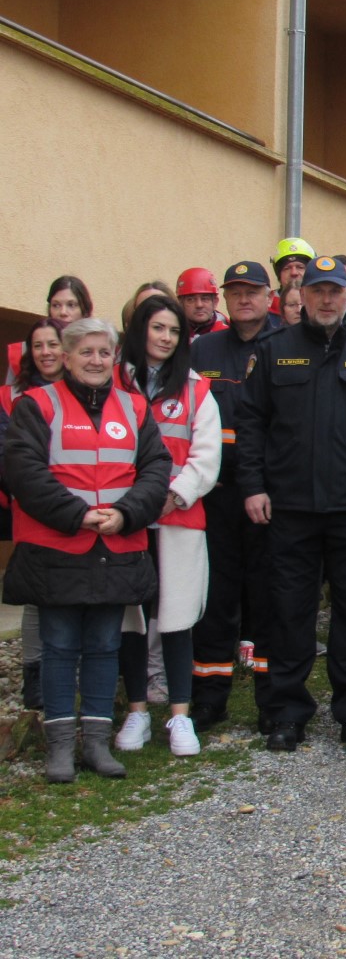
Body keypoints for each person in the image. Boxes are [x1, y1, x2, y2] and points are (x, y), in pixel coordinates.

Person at [235, 255, 346, 755]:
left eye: (334, 291)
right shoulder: (274, 350)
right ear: (302, 293)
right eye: (316, 290)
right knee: (289, 613)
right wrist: (252, 486)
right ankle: (286, 712)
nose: (325, 299)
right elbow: (249, 424)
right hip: (289, 508)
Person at [4, 318, 171, 782]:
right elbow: (23, 472)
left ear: (114, 358)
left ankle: (96, 744)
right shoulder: (36, 405)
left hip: (116, 546)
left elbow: (157, 468)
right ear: (67, 357)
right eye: (86, 352)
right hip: (56, 550)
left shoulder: (136, 408)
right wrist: (76, 514)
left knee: (103, 646)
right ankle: (59, 748)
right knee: (58, 647)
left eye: (104, 353)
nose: (96, 361)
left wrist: (126, 513)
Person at [112, 296, 221, 757]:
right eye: (157, 328)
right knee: (131, 619)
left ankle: (180, 716)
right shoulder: (113, 385)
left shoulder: (196, 389)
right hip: (125, 522)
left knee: (177, 620)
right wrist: (131, 505)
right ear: (140, 330)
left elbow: (206, 454)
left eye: (173, 331)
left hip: (178, 518)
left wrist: (176, 493)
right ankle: (136, 711)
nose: (165, 338)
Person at [189, 261, 277, 732]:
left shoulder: (286, 345)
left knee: (267, 597)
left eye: (253, 291)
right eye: (235, 291)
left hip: (266, 495)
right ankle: (209, 696)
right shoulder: (203, 348)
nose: (244, 299)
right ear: (224, 298)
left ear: (269, 296)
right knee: (217, 598)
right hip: (217, 493)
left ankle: (269, 698)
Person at [0, 318, 66, 710]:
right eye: (37, 345)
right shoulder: (13, 397)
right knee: (34, 597)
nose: (45, 352)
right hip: (32, 509)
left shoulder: (86, 393)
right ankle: (34, 675)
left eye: (52, 344)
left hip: (76, 510)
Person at [175, 268, 227, 339]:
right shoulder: (172, 334)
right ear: (180, 303)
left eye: (205, 299)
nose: (199, 305)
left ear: (215, 302)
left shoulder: (230, 335)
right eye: (191, 299)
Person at [269, 237, 315, 317]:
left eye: (300, 267)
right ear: (279, 275)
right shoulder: (268, 306)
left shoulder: (321, 305)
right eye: (287, 268)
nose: (294, 273)